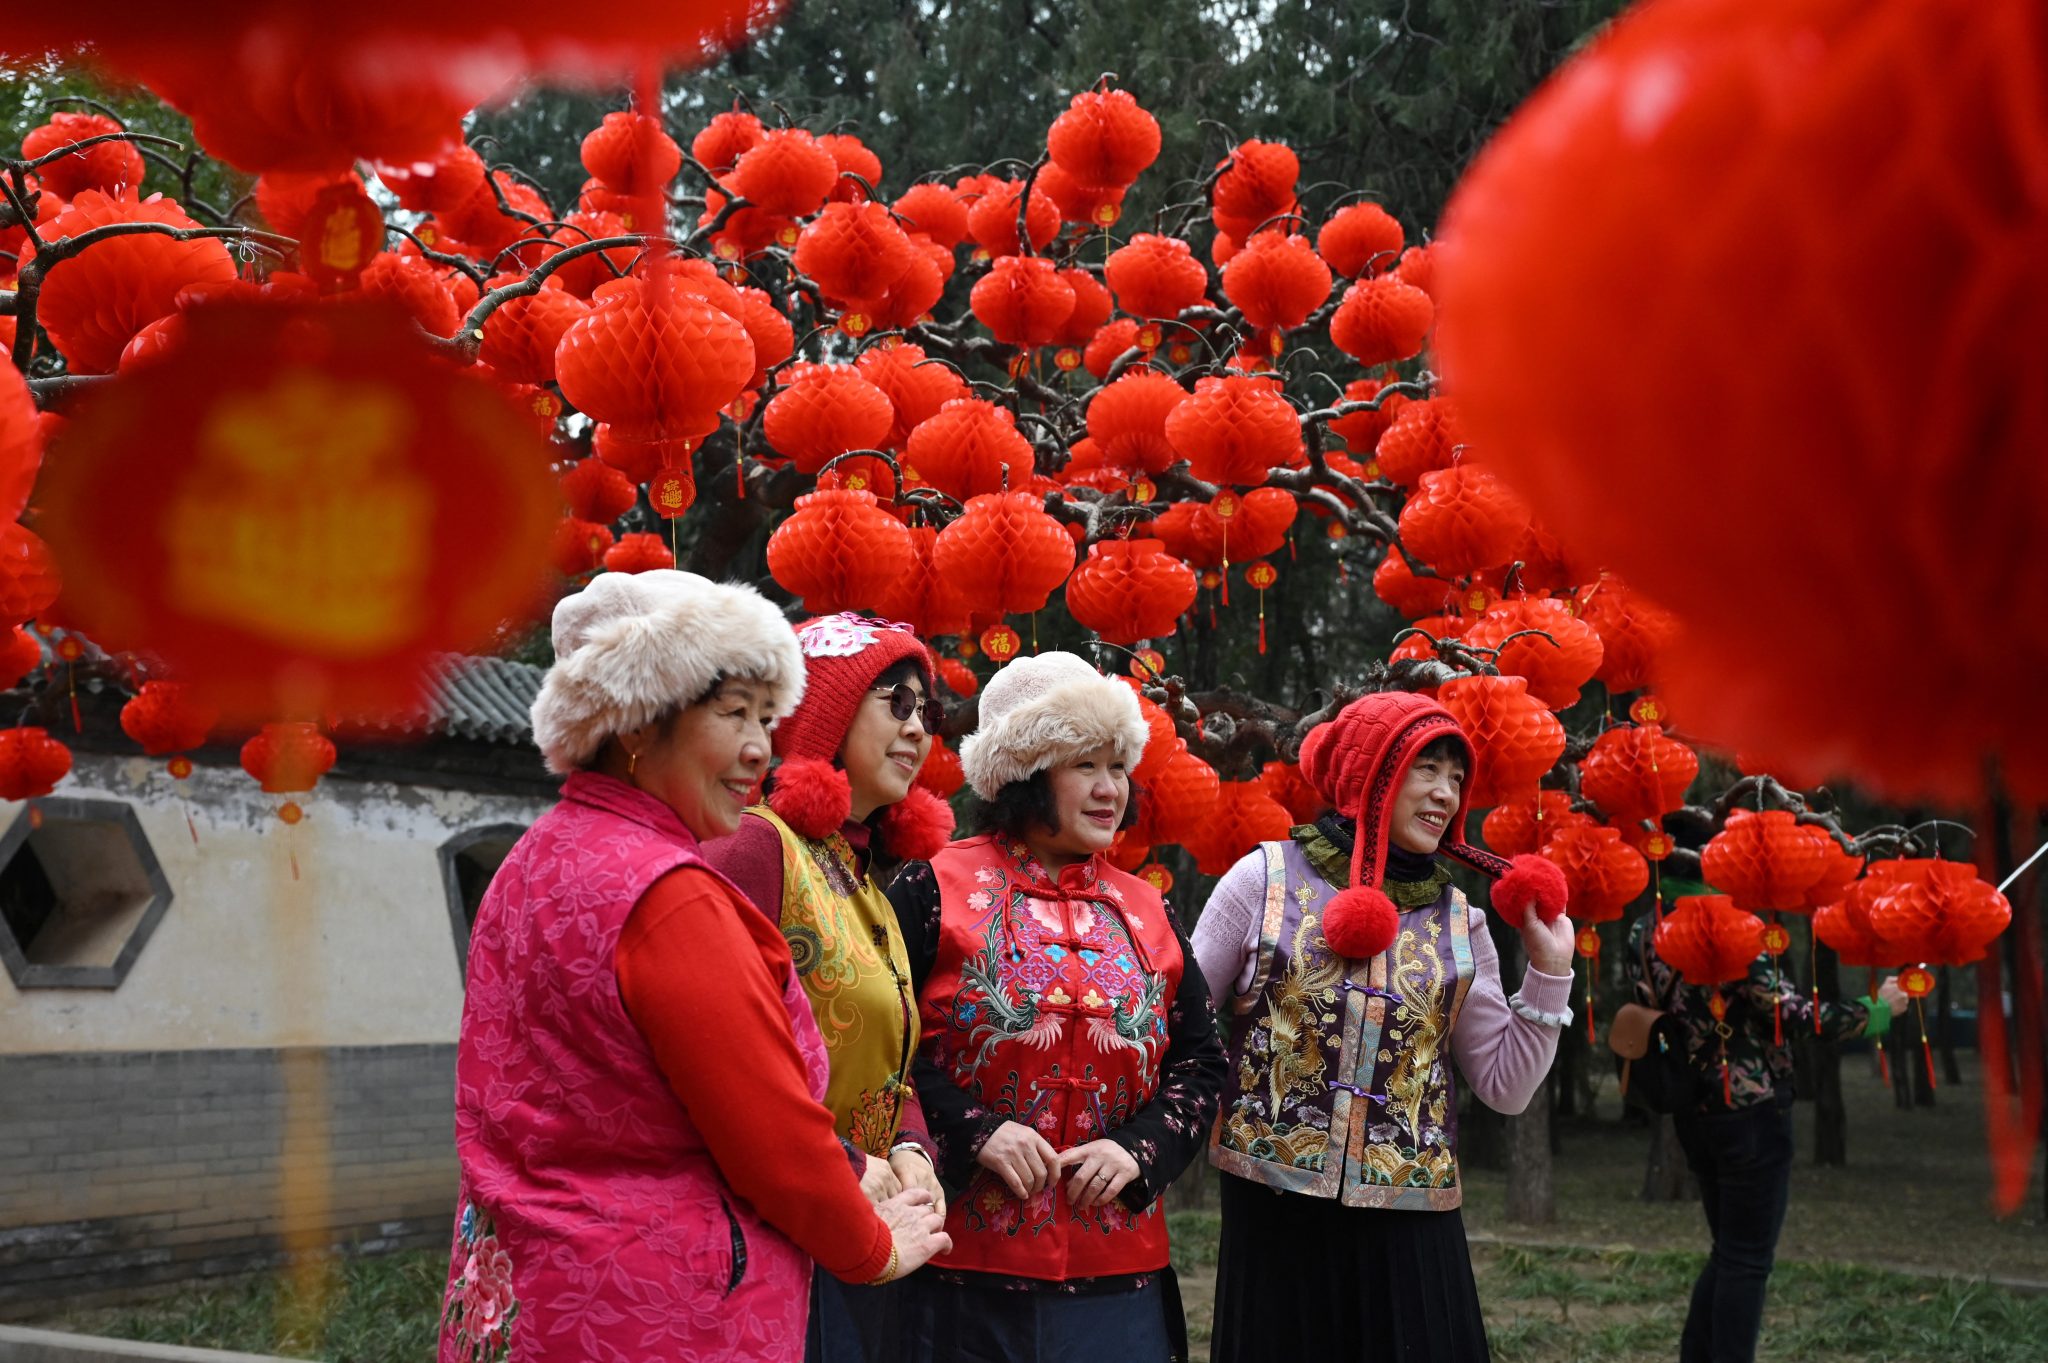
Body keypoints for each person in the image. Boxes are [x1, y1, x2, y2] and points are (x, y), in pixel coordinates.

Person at [437, 572, 950, 1363]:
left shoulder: (529, 860)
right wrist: (871, 1245)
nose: (760, 747)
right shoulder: (673, 895)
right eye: (733, 712)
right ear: (639, 720)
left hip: (526, 1292)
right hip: (660, 1314)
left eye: (766, 716)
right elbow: (770, 1133)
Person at [1191, 688, 1576, 1363]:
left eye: (1458, 777)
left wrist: (1550, 970)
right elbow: (1183, 1024)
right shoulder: (1263, 880)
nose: (1447, 794)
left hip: (1413, 1221)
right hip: (1275, 1212)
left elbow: (1506, 1088)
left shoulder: (1465, 922)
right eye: (1427, 769)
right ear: (1373, 770)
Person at [886, 651, 1227, 1362]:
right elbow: (883, 1053)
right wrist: (973, 1129)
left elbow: (1201, 1063)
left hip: (1118, 1282)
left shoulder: (1148, 908)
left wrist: (1139, 1151)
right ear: (1025, 772)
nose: (1111, 791)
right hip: (958, 1268)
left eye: (1118, 767)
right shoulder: (932, 888)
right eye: (1085, 766)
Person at [701, 612, 957, 1363]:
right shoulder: (756, 844)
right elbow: (723, 1053)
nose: (918, 730)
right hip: (780, 1224)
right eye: (897, 703)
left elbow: (890, 1061)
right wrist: (844, 1161)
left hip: (867, 1224)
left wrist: (913, 1146)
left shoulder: (865, 880)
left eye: (928, 711)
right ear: (827, 710)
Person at [1623, 890, 1907, 1363]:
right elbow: (1791, 1014)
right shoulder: (1733, 927)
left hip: (1693, 1110)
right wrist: (1877, 1010)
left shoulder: (1644, 927)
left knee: (1730, 1252)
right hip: (1751, 1111)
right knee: (1747, 1259)